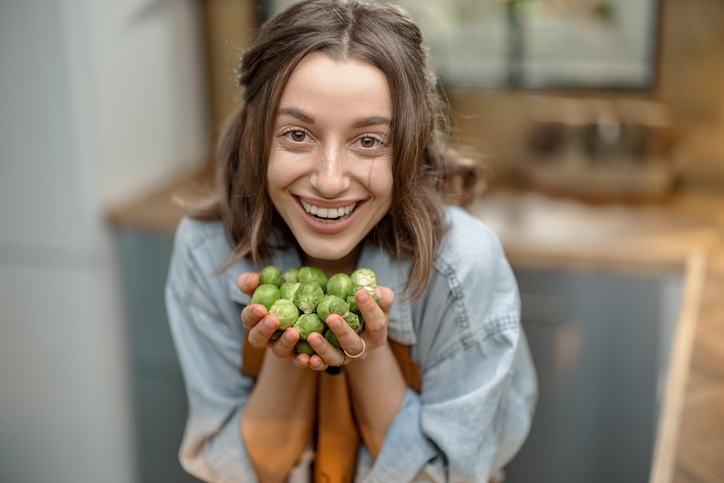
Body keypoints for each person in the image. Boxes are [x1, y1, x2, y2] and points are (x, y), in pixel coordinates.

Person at [165, 0, 537, 481]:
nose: (330, 181)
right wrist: (288, 342)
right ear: (256, 135)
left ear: (409, 145)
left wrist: (370, 347)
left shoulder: (463, 265)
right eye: (297, 134)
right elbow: (250, 468)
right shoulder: (206, 251)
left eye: (368, 141)